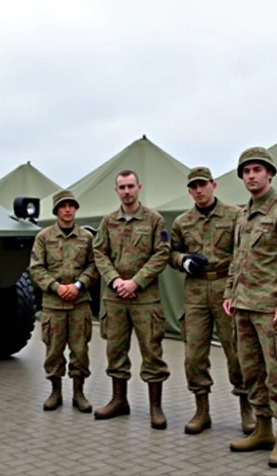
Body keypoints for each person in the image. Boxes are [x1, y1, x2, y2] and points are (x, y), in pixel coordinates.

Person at [223, 147, 277, 468]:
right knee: (252, 373)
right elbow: (238, 259)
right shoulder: (243, 215)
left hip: (273, 310)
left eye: (257, 170)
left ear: (270, 173)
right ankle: (263, 430)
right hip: (243, 308)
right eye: (246, 171)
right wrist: (230, 292)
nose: (251, 176)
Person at [170, 166, 255, 435]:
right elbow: (170, 252)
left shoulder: (234, 215)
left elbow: (245, 251)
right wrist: (183, 261)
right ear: (189, 190)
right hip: (195, 290)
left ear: (213, 185)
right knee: (194, 355)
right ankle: (202, 410)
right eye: (193, 186)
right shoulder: (182, 222)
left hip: (226, 288)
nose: (198, 191)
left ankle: (247, 408)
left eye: (202, 185)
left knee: (237, 352)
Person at [92, 169, 170, 430]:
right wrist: (116, 281)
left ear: (139, 187)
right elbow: (99, 254)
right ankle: (118, 400)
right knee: (115, 350)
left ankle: (155, 407)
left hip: (145, 298)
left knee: (152, 351)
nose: (126, 191)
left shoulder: (154, 220)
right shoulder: (108, 221)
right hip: (115, 299)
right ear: (116, 191)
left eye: (130, 186)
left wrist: (136, 281)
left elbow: (161, 254)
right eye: (122, 187)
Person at [29, 189, 99, 413]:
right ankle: (55, 392)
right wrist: (56, 287)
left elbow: (94, 265)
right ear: (57, 210)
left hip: (79, 303)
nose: (67, 210)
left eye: (71, 206)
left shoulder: (87, 237)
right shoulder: (44, 237)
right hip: (53, 305)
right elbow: (36, 268)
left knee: (80, 351)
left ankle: (79, 393)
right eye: (63, 206)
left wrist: (78, 285)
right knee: (54, 351)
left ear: (76, 209)